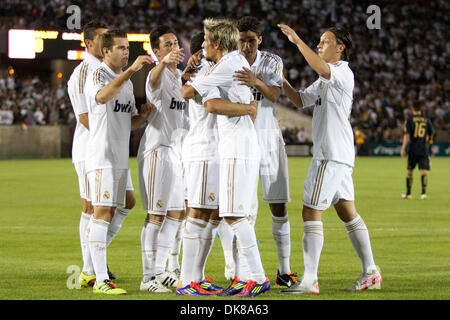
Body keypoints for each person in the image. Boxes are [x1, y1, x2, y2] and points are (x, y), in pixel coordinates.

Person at [279, 24, 382, 294]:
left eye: (325, 42)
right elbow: (300, 100)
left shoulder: (341, 72)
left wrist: (296, 40)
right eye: (318, 42)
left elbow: (321, 69)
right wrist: (282, 81)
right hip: (340, 153)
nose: (319, 45)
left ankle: (310, 280)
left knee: (310, 211)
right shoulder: (326, 78)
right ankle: (371, 271)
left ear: (340, 48)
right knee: (347, 212)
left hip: (330, 154)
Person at [181, 18, 270, 298]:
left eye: (206, 41)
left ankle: (255, 276)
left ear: (217, 43)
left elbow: (197, 97)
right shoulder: (229, 64)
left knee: (232, 215)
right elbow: (208, 100)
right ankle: (251, 277)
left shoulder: (226, 65)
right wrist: (247, 107)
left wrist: (245, 108)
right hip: (234, 148)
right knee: (231, 214)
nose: (202, 45)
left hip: (235, 148)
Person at [84, 29, 154, 295]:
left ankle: (90, 265)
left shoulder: (125, 84)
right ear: (106, 52)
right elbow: (101, 97)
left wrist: (144, 116)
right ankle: (100, 278)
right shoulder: (99, 74)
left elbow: (128, 123)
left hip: (119, 156)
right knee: (101, 213)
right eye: (121, 48)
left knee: (127, 203)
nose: (126, 52)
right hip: (101, 156)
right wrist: (130, 71)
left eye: (127, 48)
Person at [232, 16, 296, 288]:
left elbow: (274, 95)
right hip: (240, 141)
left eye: (251, 40)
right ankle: (240, 273)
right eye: (241, 40)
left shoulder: (272, 62)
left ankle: (284, 270)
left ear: (260, 39)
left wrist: (254, 81)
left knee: (278, 206)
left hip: (269, 138)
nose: (246, 46)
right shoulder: (229, 60)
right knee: (240, 210)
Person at [137, 25, 188, 293]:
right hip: (158, 150)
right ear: (156, 51)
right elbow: (154, 82)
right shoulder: (155, 76)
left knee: (177, 213)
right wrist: (162, 63)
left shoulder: (181, 77)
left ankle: (164, 269)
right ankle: (148, 277)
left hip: (176, 152)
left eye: (175, 43)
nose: (173, 48)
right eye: (166, 45)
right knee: (156, 215)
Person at [400, 102, 433, 200]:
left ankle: (408, 194)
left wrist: (403, 148)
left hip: (413, 149)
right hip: (423, 149)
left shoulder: (409, 120)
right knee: (423, 171)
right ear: (421, 109)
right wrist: (427, 146)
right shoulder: (427, 120)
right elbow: (430, 136)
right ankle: (423, 194)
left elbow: (407, 136)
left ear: (412, 108)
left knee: (409, 171)